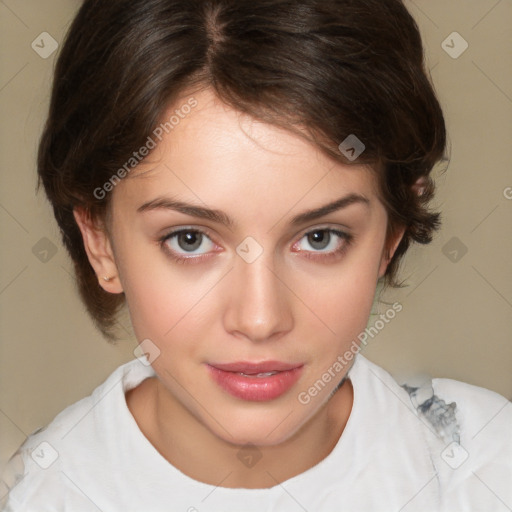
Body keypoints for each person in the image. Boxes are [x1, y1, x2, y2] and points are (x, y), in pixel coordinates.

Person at [1, 0, 510, 510]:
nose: (260, 319)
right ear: (100, 240)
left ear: (390, 236)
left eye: (319, 238)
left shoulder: (491, 469)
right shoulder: (33, 495)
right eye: (190, 239)